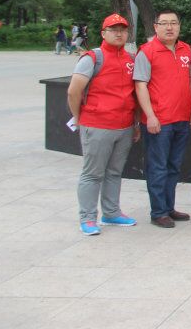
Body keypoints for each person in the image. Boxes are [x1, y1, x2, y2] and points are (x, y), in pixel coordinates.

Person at [66, 14, 140, 235]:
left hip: (124, 126)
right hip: (97, 125)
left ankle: (111, 212)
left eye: (123, 30)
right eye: (113, 30)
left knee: (114, 172)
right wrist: (78, 117)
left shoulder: (130, 58)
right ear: (103, 33)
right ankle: (88, 218)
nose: (119, 34)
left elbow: (134, 94)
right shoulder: (92, 58)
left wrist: (135, 123)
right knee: (92, 173)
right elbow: (73, 91)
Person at [134, 10, 191, 228]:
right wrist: (150, 115)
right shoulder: (147, 52)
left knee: (173, 166)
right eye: (164, 23)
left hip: (181, 118)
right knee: (158, 167)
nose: (169, 27)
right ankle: (158, 212)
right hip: (158, 121)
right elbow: (140, 85)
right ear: (156, 27)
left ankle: (169, 207)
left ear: (179, 26)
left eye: (173, 23)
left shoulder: (185, 49)